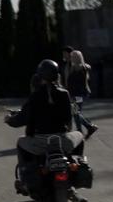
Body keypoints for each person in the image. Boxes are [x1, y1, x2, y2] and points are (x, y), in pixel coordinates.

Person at [6, 59, 84, 193]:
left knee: (20, 142)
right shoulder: (64, 94)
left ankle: (25, 182)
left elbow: (22, 118)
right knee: (80, 136)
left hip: (40, 144)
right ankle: (75, 165)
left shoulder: (35, 95)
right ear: (56, 75)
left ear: (39, 76)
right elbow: (67, 118)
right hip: (62, 141)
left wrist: (9, 119)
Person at [68, 50, 98, 139]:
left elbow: (77, 83)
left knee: (76, 112)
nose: (71, 58)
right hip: (76, 93)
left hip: (78, 94)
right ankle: (84, 129)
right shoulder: (75, 67)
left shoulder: (81, 68)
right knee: (76, 112)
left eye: (73, 56)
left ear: (77, 58)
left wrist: (73, 95)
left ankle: (86, 128)